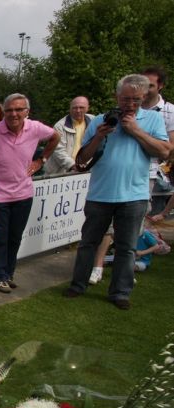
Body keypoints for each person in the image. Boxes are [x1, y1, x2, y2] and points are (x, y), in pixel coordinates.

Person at [64, 74, 169, 309]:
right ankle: (78, 284)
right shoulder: (100, 120)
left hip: (134, 195)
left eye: (136, 100)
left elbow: (164, 152)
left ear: (143, 98)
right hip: (100, 193)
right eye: (125, 99)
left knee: (126, 247)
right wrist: (99, 136)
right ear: (117, 97)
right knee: (88, 242)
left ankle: (120, 293)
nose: (130, 104)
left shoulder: (152, 119)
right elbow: (82, 158)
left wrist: (135, 131)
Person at [0, 93, 60, 294]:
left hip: (24, 194)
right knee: (0, 238)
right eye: (9, 110)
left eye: (18, 109)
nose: (14, 114)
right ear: (4, 112)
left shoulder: (35, 128)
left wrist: (41, 160)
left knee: (15, 237)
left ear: (27, 112)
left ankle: (8, 273)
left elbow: (55, 137)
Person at [141, 66, 174, 215]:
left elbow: (170, 148)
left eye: (150, 85)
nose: (145, 89)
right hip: (126, 170)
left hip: (154, 174)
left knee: (146, 216)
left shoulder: (170, 111)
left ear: (160, 86)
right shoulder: (130, 106)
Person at [44, 96, 94, 176]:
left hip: (86, 169)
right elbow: (58, 150)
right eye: (75, 108)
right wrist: (73, 165)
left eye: (81, 107)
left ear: (88, 108)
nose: (78, 110)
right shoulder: (59, 126)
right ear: (70, 109)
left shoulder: (93, 121)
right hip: (61, 172)